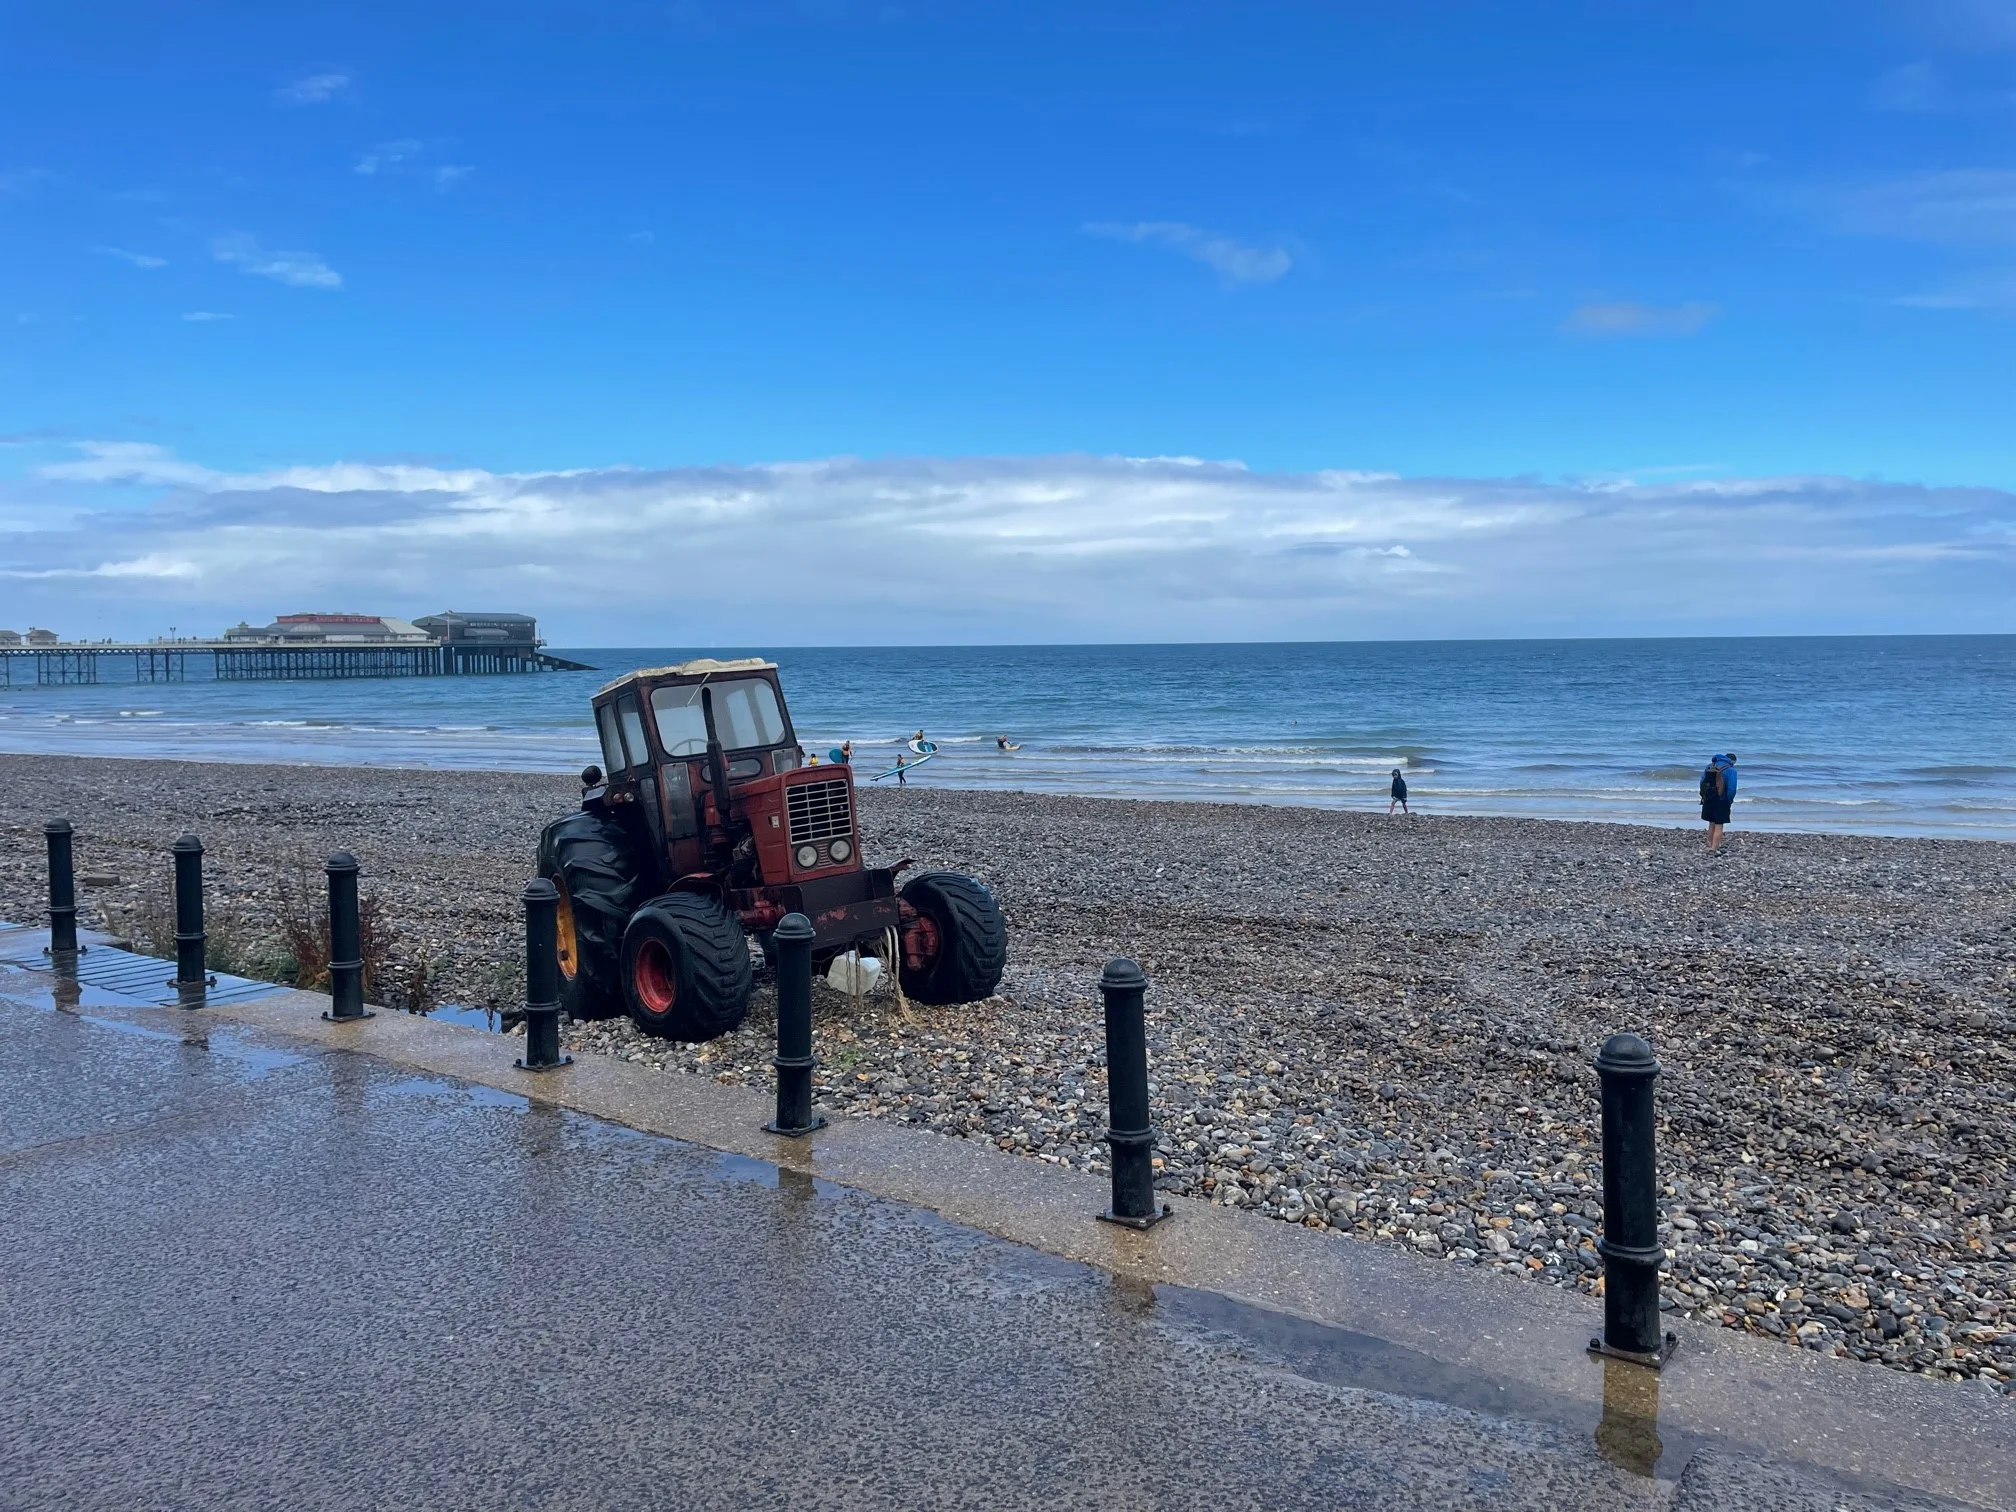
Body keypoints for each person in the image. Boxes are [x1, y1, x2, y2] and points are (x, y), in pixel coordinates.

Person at [1699, 752, 1738, 853]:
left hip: (1709, 799)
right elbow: (1732, 789)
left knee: (1711, 823)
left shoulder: (1710, 766)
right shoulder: (1731, 770)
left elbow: (1702, 782)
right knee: (1719, 824)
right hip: (1722, 799)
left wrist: (1704, 796)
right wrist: (1729, 800)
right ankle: (1714, 848)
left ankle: (1709, 843)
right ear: (1733, 762)